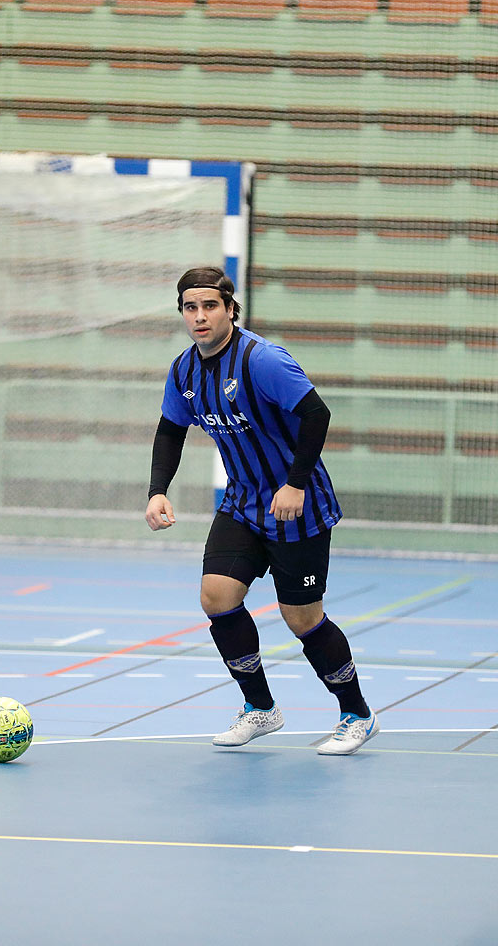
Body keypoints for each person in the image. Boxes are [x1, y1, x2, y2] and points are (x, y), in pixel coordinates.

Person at [145, 265, 377, 755]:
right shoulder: (184, 370)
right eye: (191, 307)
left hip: (299, 504)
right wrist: (158, 490)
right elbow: (170, 429)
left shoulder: (263, 360)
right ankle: (261, 708)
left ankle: (356, 712)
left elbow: (317, 414)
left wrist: (294, 485)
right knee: (216, 597)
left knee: (302, 618)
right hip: (244, 502)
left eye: (211, 306)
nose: (200, 316)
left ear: (230, 309)